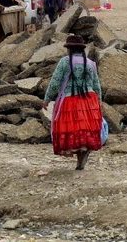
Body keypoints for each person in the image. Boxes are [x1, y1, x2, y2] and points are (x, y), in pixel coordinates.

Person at [43, 35, 103, 170]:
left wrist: (47, 99)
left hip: (70, 101)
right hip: (89, 101)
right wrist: (99, 101)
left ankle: (79, 153)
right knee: (83, 130)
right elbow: (96, 84)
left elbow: (55, 82)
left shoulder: (64, 62)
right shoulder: (90, 63)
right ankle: (83, 153)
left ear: (69, 49)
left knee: (72, 130)